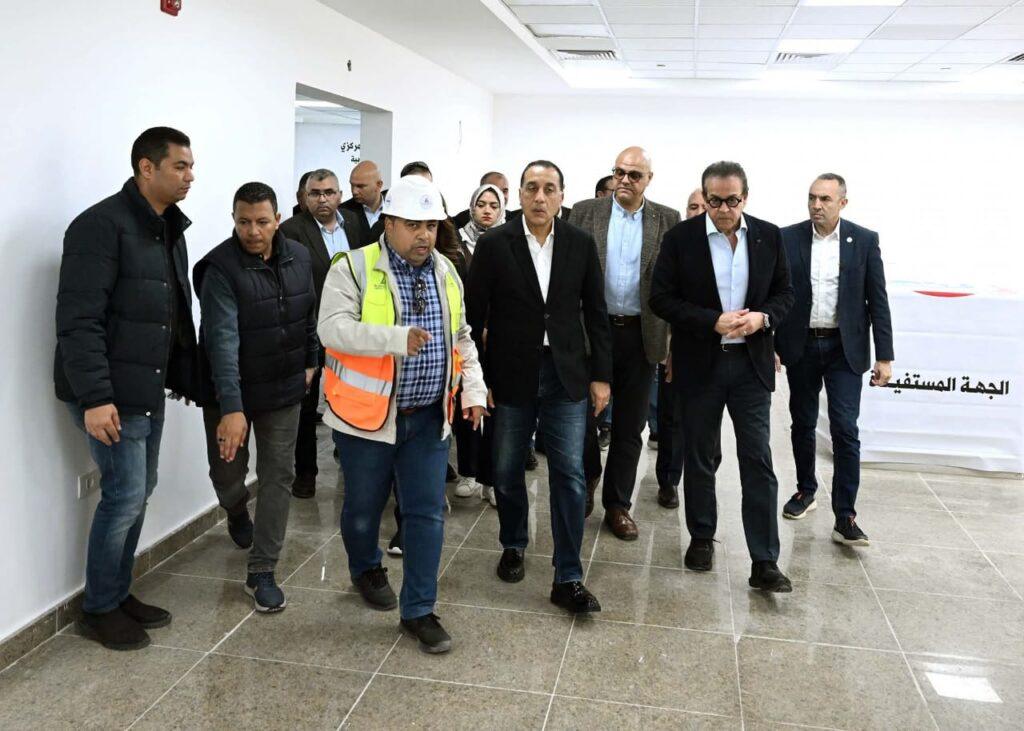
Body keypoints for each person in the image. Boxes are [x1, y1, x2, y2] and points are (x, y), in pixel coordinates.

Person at [318, 175, 487, 654]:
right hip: (365, 421)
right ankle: (365, 567)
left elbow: (461, 337)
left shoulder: (447, 271)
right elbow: (331, 330)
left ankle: (419, 611)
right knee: (362, 512)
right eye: (413, 225)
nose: (424, 235)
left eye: (430, 225)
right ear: (389, 223)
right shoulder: (352, 268)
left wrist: (473, 389)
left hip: (430, 419)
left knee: (426, 515)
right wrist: (395, 338)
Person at [55, 126, 200, 651]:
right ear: (146, 167)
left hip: (146, 388)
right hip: (110, 393)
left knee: (139, 492)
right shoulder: (99, 226)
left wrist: (181, 375)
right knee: (123, 497)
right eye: (180, 166)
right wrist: (96, 398)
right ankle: (98, 608)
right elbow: (79, 321)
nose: (190, 176)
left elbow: (171, 310)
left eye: (190, 166)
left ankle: (116, 593)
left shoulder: (167, 227)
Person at [466, 160, 612, 614]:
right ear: (519, 195)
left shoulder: (580, 243)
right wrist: (479, 379)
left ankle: (567, 575)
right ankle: (513, 542)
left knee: (569, 474)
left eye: (549, 188)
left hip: (565, 373)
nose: (540, 197)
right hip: (510, 374)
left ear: (562, 195)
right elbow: (472, 316)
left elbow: (596, 313)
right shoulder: (494, 244)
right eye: (531, 188)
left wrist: (601, 375)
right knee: (507, 468)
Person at [650, 160, 795, 593]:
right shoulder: (681, 238)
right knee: (699, 456)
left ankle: (764, 560)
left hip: (750, 364)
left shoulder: (769, 236)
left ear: (745, 198)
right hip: (701, 363)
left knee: (758, 460)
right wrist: (710, 321)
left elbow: (786, 293)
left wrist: (763, 318)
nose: (724, 210)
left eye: (732, 201)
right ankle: (701, 536)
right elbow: (661, 298)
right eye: (714, 201)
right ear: (705, 197)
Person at [194, 182, 318, 612]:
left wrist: (311, 361)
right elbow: (221, 341)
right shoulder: (219, 269)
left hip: (283, 388)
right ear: (233, 219)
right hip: (230, 392)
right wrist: (232, 408)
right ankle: (235, 510)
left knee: (278, 475)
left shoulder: (299, 257)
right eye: (243, 221)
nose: (252, 231)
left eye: (262, 221)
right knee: (228, 476)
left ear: (278, 220)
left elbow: (307, 312)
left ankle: (262, 569)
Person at [775, 173, 894, 546]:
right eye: (812, 197)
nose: (816, 205)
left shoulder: (864, 240)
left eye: (825, 199)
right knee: (803, 422)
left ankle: (845, 514)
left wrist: (885, 356)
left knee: (845, 428)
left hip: (845, 348)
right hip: (802, 345)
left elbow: (877, 300)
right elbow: (774, 293)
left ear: (843, 202)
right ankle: (805, 490)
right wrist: (771, 342)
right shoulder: (788, 238)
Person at [569, 147, 680, 540]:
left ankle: (618, 505)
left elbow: (673, 285)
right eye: (619, 172)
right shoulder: (585, 213)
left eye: (634, 175)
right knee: (582, 419)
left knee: (631, 427)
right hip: (590, 332)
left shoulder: (667, 219)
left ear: (649, 179)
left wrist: (671, 343)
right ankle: (587, 481)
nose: (625, 181)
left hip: (641, 334)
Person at [279, 169, 363, 498]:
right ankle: (306, 473)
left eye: (329, 192)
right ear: (304, 197)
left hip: (351, 327)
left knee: (351, 397)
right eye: (315, 193)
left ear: (340, 195)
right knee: (306, 403)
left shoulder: (355, 224)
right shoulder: (291, 231)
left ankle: (352, 459)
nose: (322, 199)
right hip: (309, 328)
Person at [652, 188, 707, 510]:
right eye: (692, 207)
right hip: (676, 346)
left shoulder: (731, 248)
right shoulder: (674, 245)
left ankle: (701, 478)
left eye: (704, 206)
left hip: (715, 350)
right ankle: (669, 480)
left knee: (702, 421)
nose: (698, 212)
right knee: (671, 417)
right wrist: (669, 349)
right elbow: (664, 299)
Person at [452, 183, 506, 503]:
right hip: (465, 334)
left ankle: (491, 479)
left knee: (496, 406)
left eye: (493, 205)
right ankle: (469, 472)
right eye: (481, 204)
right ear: (472, 207)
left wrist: (493, 325)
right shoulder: (457, 242)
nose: (487, 210)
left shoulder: (509, 241)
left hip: (499, 337)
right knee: (466, 400)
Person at [340, 160, 387, 247]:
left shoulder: (395, 210)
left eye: (360, 186)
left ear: (379, 185)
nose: (354, 191)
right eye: (352, 185)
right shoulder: (341, 212)